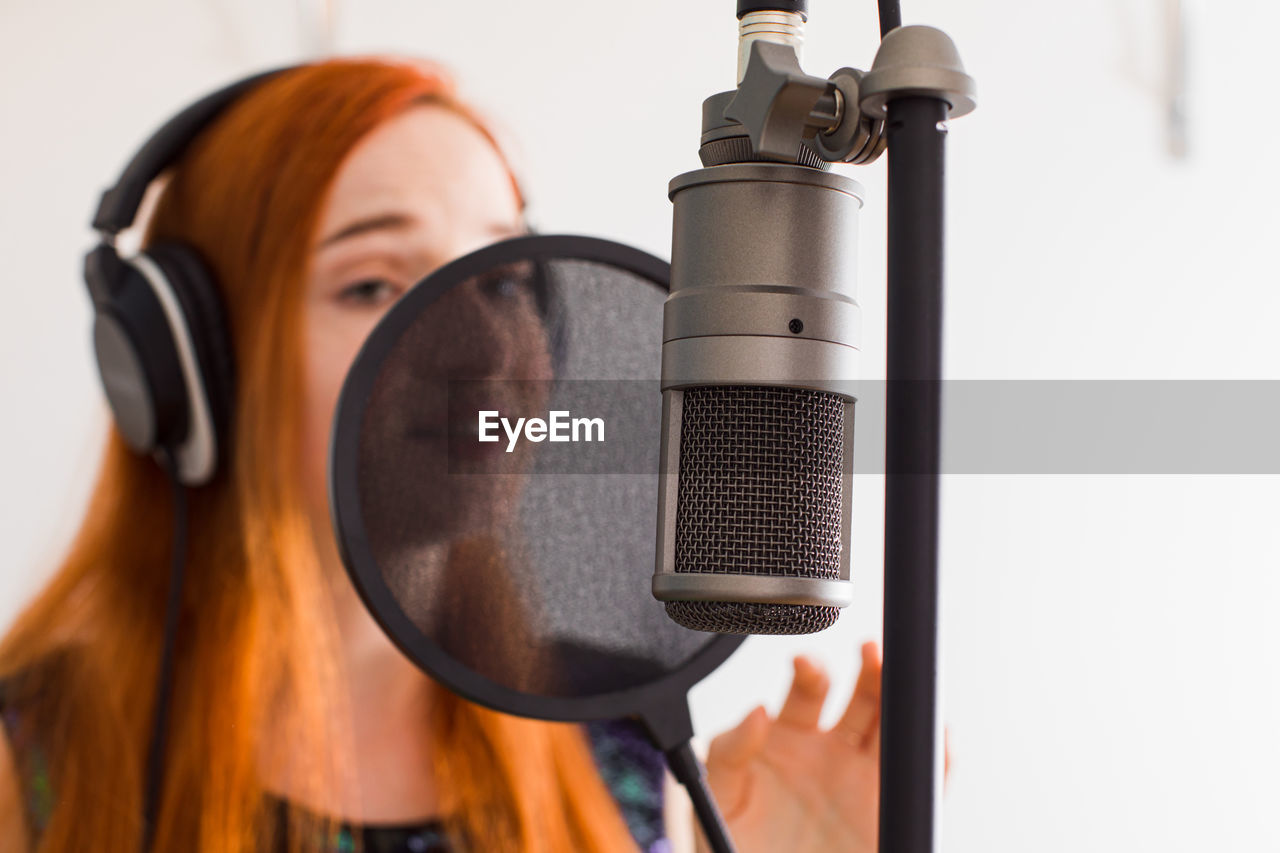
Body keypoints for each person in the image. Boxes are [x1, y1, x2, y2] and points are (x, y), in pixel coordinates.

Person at [0, 57, 886, 852]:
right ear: (189, 368)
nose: (486, 350)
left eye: (502, 279)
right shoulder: (27, 765)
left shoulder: (617, 733)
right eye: (373, 284)